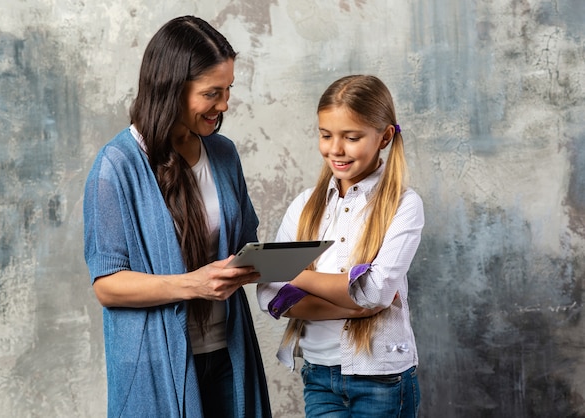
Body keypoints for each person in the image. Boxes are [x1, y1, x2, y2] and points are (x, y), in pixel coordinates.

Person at [83, 15, 272, 418]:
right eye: (212, 92)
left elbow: (244, 243)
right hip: (154, 365)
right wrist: (194, 285)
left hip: (228, 353)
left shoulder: (223, 154)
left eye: (228, 90)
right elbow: (108, 286)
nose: (224, 104)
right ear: (172, 88)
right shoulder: (116, 166)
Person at [257, 75, 424, 417]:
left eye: (351, 137)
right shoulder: (305, 205)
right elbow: (269, 295)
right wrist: (352, 304)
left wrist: (294, 273)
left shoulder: (404, 205)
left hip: (382, 378)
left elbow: (375, 292)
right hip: (319, 375)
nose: (335, 149)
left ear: (385, 137)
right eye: (326, 135)